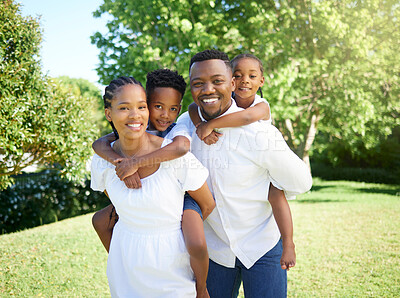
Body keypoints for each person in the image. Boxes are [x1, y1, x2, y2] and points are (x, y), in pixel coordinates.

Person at [175, 49, 313, 297]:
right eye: (198, 83)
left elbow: (302, 182)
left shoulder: (259, 134)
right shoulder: (184, 127)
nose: (208, 90)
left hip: (261, 245)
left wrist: (274, 186)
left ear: (232, 83)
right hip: (213, 250)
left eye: (217, 81)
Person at [91, 69, 214, 297]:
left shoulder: (175, 141)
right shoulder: (103, 158)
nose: (135, 114)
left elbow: (206, 202)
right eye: (124, 107)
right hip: (127, 265)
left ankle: (202, 287)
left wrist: (180, 226)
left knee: (195, 240)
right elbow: (99, 146)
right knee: (99, 219)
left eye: (140, 106)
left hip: (172, 257)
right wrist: (121, 164)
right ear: (109, 114)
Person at [188, 53, 296, 271]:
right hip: (219, 247)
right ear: (233, 81)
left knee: (276, 193)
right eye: (239, 75)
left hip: (265, 171)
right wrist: (200, 123)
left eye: (252, 76)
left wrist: (209, 125)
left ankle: (289, 241)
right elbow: (192, 108)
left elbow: (246, 118)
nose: (245, 80)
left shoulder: (261, 106)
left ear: (261, 81)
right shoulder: (220, 100)